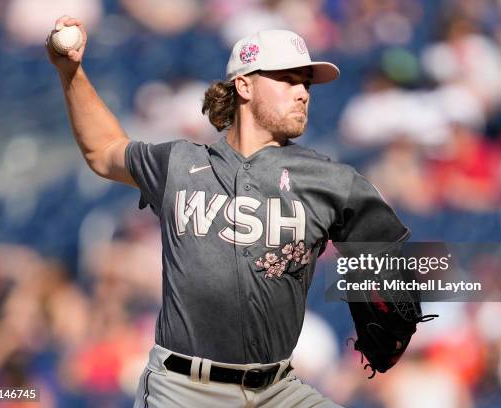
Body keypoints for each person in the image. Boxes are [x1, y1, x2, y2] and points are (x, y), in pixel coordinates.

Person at [47, 15, 411, 408]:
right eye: (288, 80)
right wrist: (71, 72)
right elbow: (102, 152)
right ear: (244, 85)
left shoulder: (331, 180)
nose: (303, 92)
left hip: (278, 389)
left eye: (306, 83)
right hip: (184, 389)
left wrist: (400, 280)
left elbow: (401, 258)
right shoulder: (179, 164)